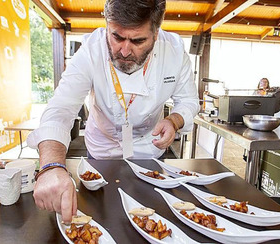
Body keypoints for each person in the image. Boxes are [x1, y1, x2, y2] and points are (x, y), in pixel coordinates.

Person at [27, 0, 199, 223]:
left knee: (152, 218)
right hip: (101, 150)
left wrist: (175, 120)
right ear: (107, 24)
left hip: (149, 149)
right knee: (101, 216)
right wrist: (51, 166)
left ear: (156, 34)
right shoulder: (91, 49)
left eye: (138, 40)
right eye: (117, 37)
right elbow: (61, 107)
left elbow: (188, 100)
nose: (124, 51)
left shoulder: (174, 52)